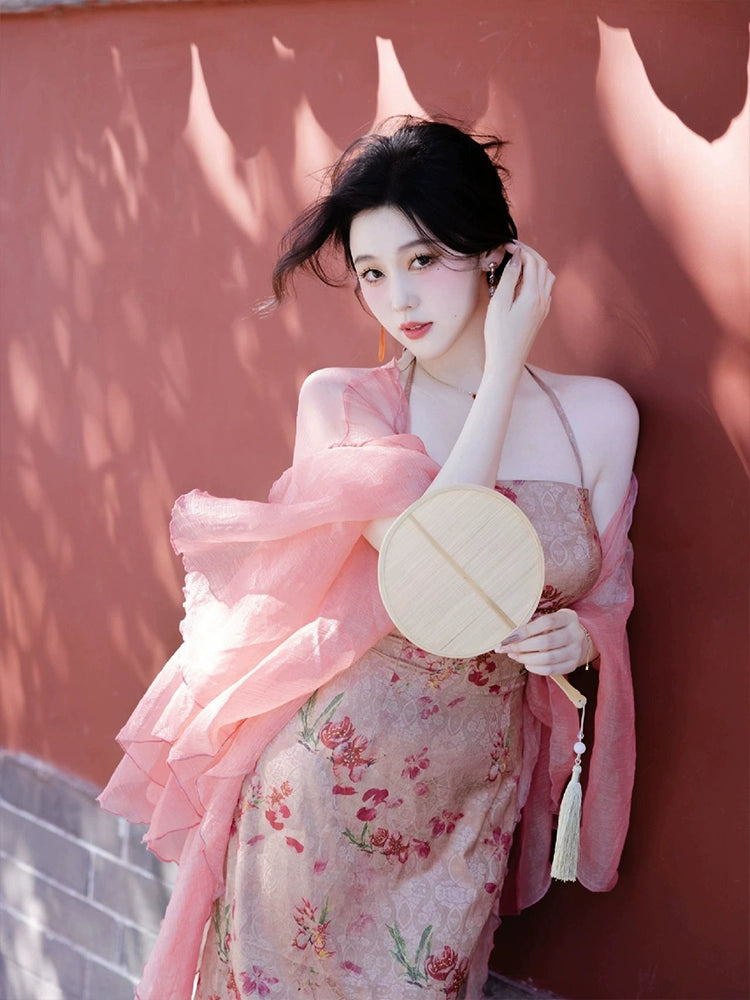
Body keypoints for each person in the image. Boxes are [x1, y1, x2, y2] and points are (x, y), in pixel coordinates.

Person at [99, 117, 638, 1000]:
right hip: (326, 790)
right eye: (373, 273)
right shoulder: (346, 406)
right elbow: (437, 569)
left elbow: (606, 602)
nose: (399, 298)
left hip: (470, 794)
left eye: (423, 259)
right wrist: (504, 369)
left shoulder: (601, 419)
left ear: (496, 254)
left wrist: (578, 641)